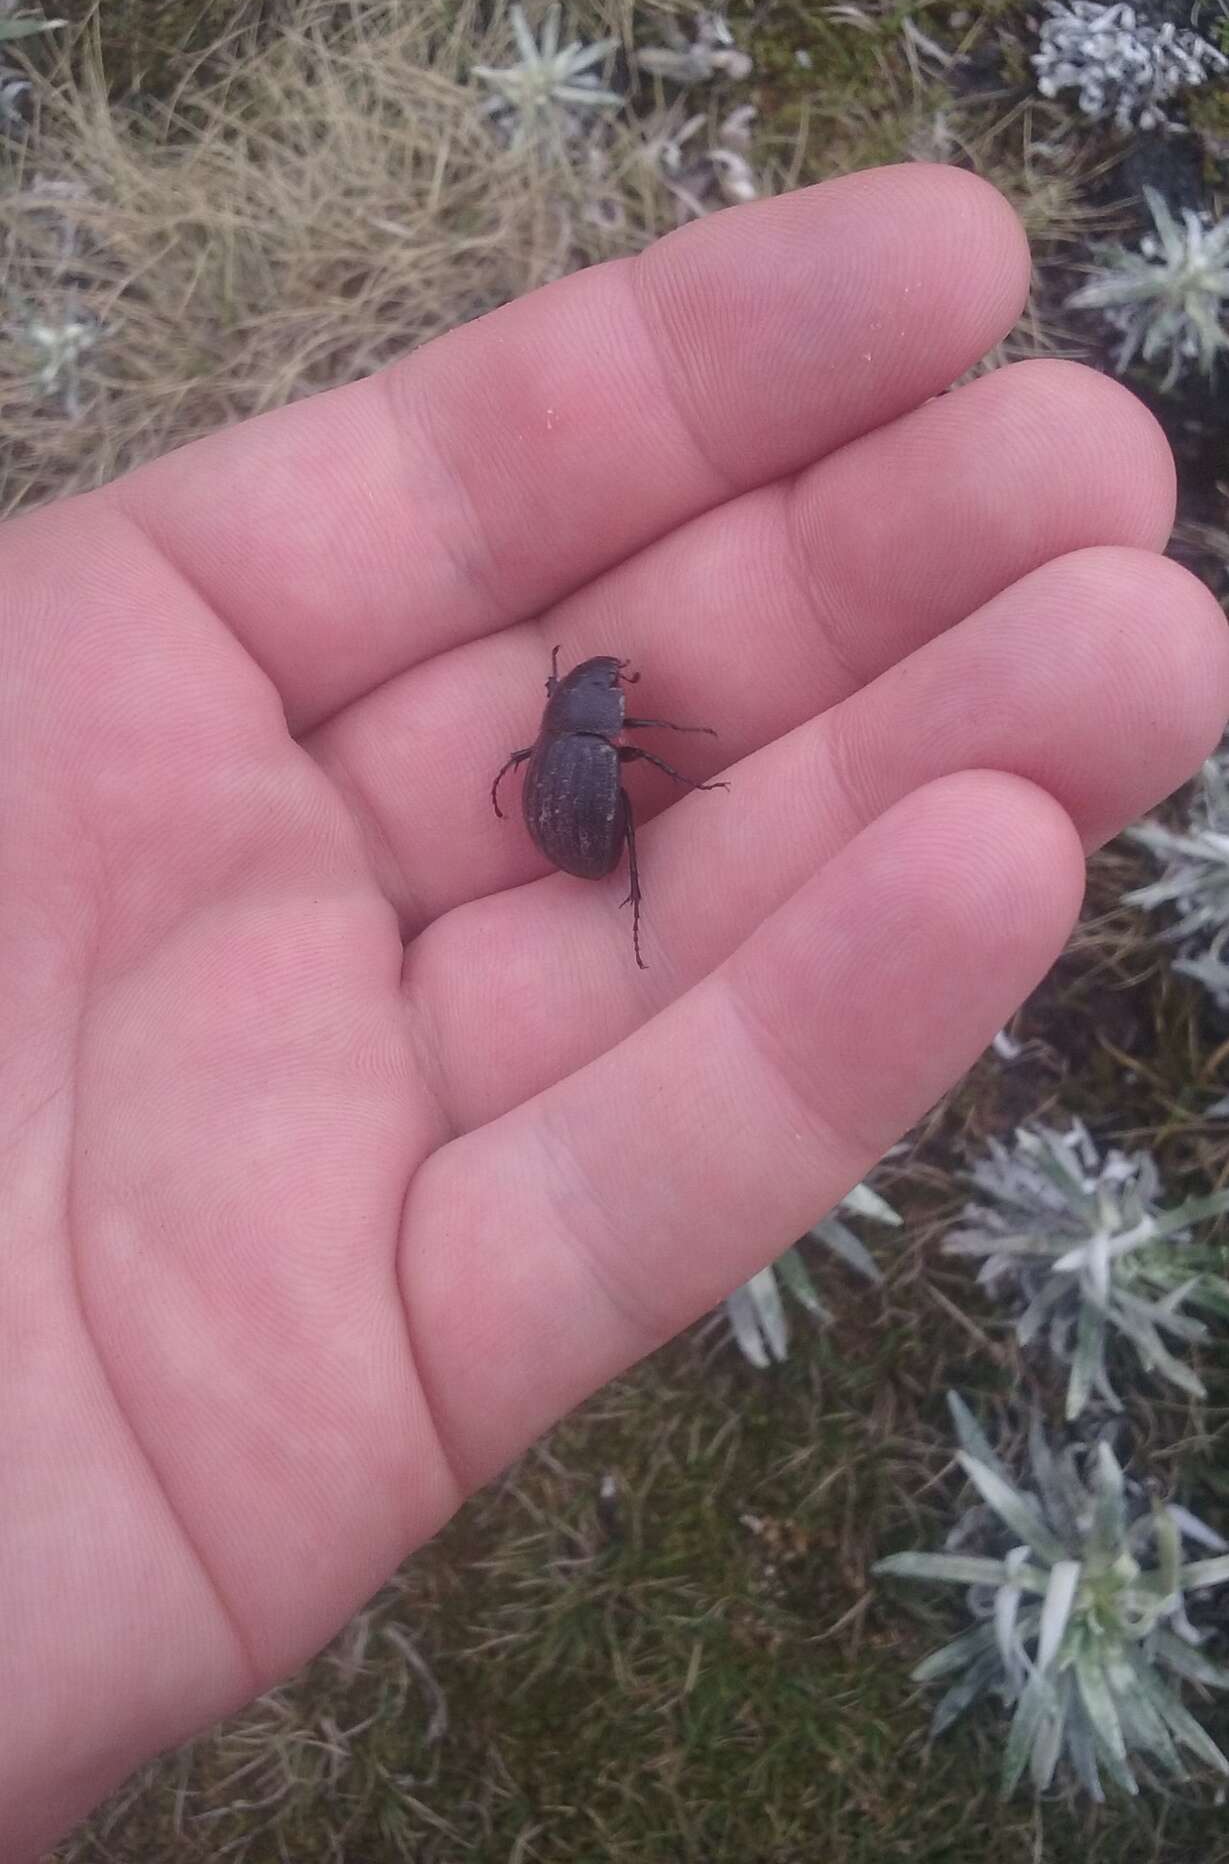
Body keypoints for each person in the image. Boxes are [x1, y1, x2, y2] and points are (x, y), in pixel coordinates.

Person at [3, 165, 1226, 1858]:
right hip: (585, 846)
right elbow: (593, 771)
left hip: (569, 835)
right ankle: (635, 905)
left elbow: (562, 769)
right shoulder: (595, 750)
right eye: (613, 697)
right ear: (594, 709)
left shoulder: (565, 746)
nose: (622, 700)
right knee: (654, 854)